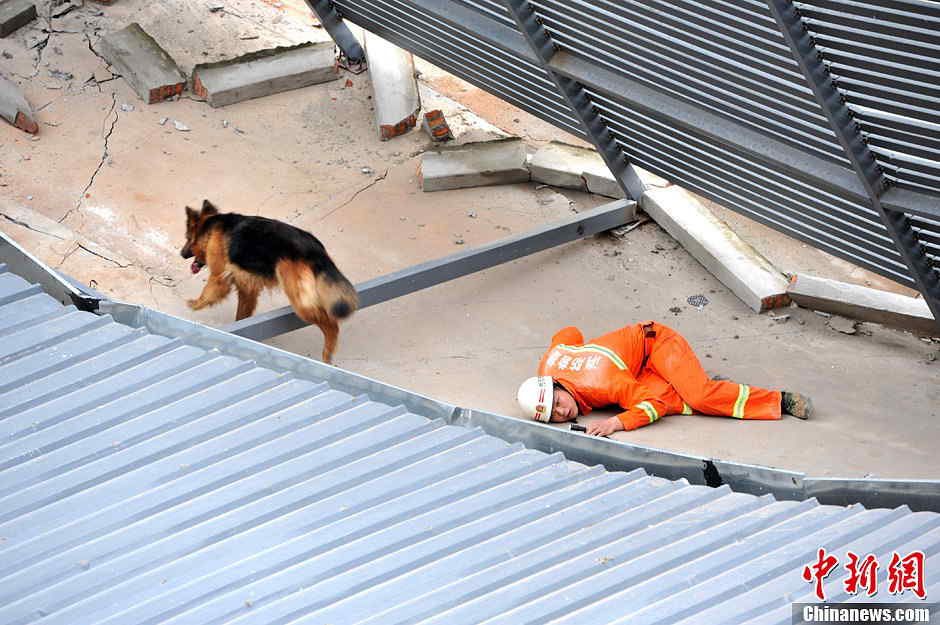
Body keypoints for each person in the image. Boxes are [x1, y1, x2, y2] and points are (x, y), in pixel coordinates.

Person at [516, 320, 812, 437]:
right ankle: (695, 382)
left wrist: (615, 423)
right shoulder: (549, 363)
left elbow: (652, 404)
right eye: (552, 416)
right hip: (635, 366)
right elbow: (569, 333)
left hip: (656, 342)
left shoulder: (604, 383)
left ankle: (779, 401)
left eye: (557, 403)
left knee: (698, 398)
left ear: (556, 385)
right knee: (678, 401)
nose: (562, 412)